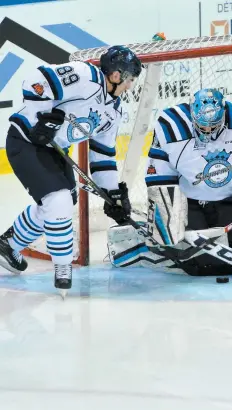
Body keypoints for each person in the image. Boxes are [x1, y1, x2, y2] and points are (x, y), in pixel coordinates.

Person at [107, 88, 232, 275]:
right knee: (199, 265)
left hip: (228, 200)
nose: (207, 131)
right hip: (187, 204)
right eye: (202, 126)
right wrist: (168, 217)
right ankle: (138, 243)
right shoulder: (171, 126)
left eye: (214, 126)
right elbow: (159, 178)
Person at [0, 46, 141, 294]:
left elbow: (103, 156)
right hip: (26, 140)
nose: (130, 86)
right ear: (116, 75)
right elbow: (35, 81)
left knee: (58, 206)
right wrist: (43, 115)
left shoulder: (114, 111)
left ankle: (8, 243)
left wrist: (112, 194)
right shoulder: (84, 76)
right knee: (58, 201)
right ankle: (63, 267)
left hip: (54, 149)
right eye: (129, 79)